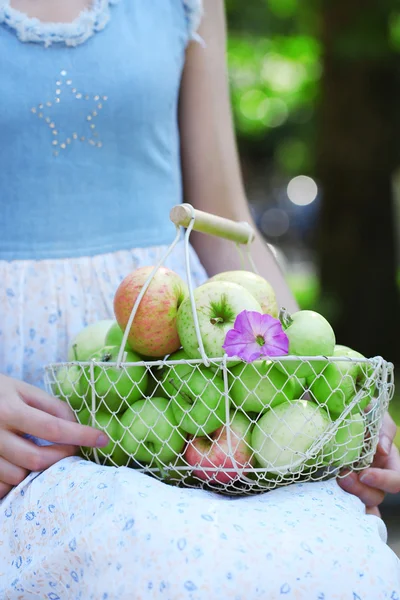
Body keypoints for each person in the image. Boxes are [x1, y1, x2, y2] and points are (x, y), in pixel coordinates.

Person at [0, 0, 399, 597]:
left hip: (184, 378)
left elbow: (226, 220)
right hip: (24, 416)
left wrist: (328, 390)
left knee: (334, 563)